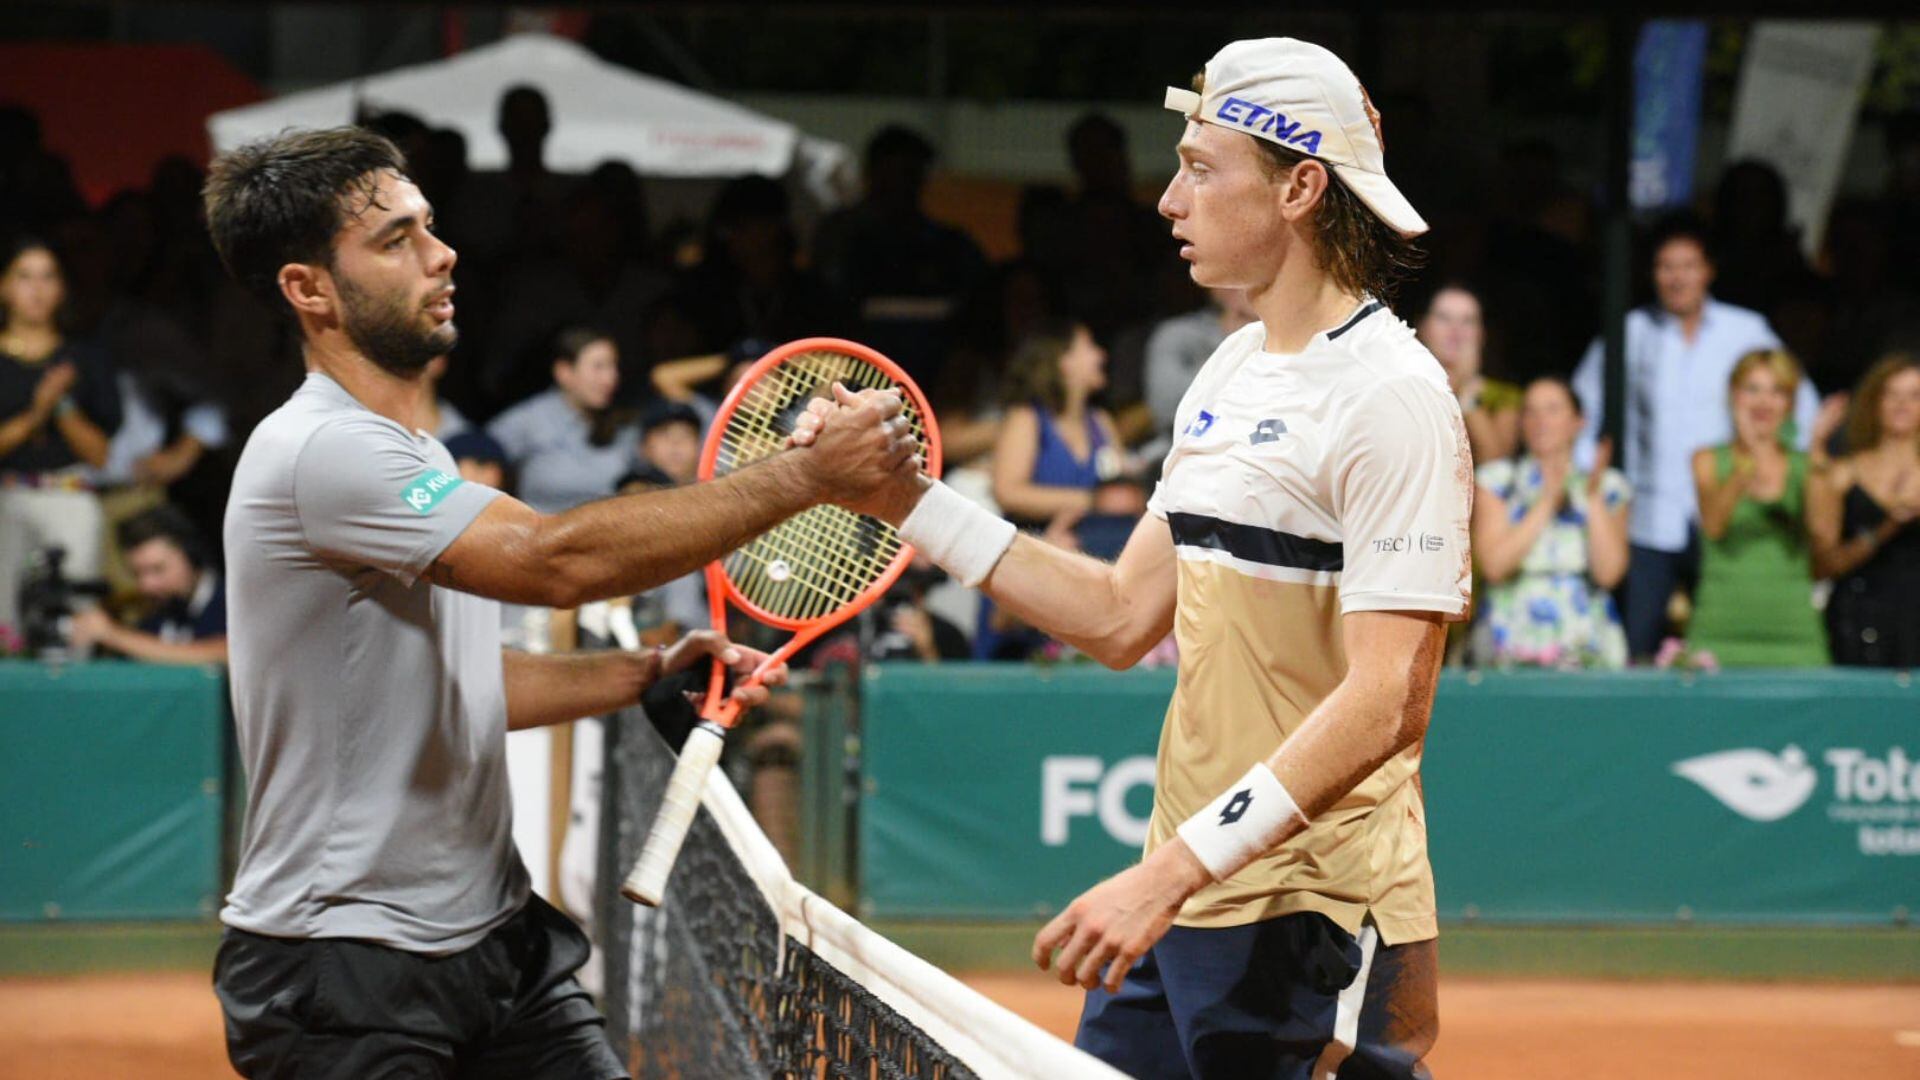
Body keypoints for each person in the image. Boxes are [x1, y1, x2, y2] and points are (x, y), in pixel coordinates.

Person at [797, 37, 1463, 1077]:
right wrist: (906, 501)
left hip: (1313, 913)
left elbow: (1390, 700)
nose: (1167, 199)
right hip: (1188, 896)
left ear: (1299, 186)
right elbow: (1117, 614)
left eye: (1201, 167)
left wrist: (1171, 872)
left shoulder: (1395, 397)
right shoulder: (1231, 370)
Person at [199, 126, 914, 1079]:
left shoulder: (417, 454)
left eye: (431, 226)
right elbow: (555, 562)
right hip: (346, 971)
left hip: (494, 943)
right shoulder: (320, 452)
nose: (440, 251)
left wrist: (642, 673)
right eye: (395, 239)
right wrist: (802, 477)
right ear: (308, 289)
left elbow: (460, 685)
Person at [1572, 216, 1819, 660]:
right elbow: (1581, 409)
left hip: (1727, 507)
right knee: (1637, 649)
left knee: (1720, 640)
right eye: (1666, 266)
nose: (1677, 277)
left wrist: (1780, 469)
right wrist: (1595, 478)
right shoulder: (1631, 331)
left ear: (1709, 271)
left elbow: (1802, 405)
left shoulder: (1746, 330)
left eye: (1688, 265)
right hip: (1651, 517)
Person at [0, 236, 121, 629]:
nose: (36, 289)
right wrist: (38, 412)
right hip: (6, 496)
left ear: (63, 288)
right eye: (24, 277)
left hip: (68, 494)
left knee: (70, 619)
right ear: (4, 286)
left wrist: (63, 404)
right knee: (6, 623)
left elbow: (99, 454)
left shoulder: (85, 358)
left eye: (48, 277)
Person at [1470, 377, 1630, 669]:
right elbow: (1494, 565)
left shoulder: (1608, 486)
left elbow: (1609, 573)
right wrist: (1546, 502)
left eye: (1552, 410)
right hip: (1511, 632)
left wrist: (1591, 498)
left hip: (1584, 636)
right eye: (1530, 411)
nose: (1540, 420)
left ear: (1578, 421)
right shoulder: (1496, 482)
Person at [1687, 349, 1827, 667]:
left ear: (1790, 404)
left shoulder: (1805, 466)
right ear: (1734, 395)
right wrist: (1746, 463)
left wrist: (1818, 456)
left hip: (1794, 632)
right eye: (1753, 389)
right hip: (1719, 629)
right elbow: (1713, 525)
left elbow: (1823, 535)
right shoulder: (1707, 459)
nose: (1764, 402)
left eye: (1777, 391)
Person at [1810, 353, 1920, 666]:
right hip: (1858, 612)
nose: (1903, 405)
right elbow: (1823, 564)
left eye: (1914, 395)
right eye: (1892, 394)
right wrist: (1888, 526)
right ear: (1875, 401)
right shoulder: (1844, 473)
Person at [989, 320, 1124, 529]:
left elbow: (1121, 489)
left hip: (1099, 541)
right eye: (1090, 346)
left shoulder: (1100, 421)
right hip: (1038, 543)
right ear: (1063, 360)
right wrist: (1093, 501)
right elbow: (1007, 492)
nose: (1101, 355)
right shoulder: (1027, 418)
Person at [486, 328, 637, 514]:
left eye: (613, 366)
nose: (611, 378)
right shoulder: (530, 419)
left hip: (608, 534)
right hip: (544, 534)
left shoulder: (622, 424)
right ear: (564, 372)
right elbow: (478, 459)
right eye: (599, 367)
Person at [67, 504, 226, 664]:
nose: (146, 585)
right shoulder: (155, 614)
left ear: (192, 558)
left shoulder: (230, 601)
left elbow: (222, 653)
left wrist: (113, 634)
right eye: (136, 574)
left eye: (158, 569)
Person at [1141, 286, 1257, 447]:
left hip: (1261, 441)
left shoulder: (1287, 341)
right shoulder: (1180, 334)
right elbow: (1165, 409)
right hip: (1187, 444)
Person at [1416, 282, 1519, 462]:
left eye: (1468, 321)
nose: (1455, 330)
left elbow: (1495, 464)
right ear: (1423, 328)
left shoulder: (1505, 396)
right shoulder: (1404, 387)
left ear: (1481, 334)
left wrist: (1467, 388)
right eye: (1444, 318)